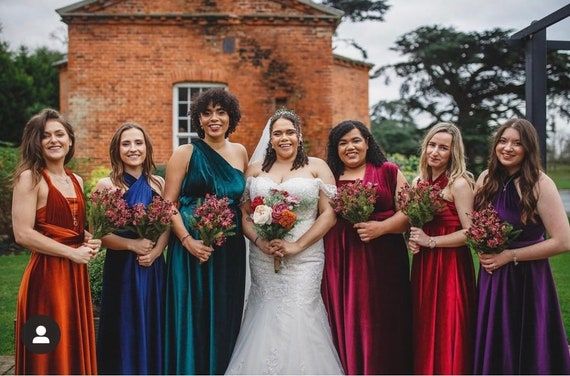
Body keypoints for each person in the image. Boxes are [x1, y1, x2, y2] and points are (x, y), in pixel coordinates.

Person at [225, 109, 344, 374]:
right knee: (264, 311)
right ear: (270, 139)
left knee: (301, 312)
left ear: (299, 136)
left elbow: (329, 214)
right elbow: (244, 215)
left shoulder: (317, 167)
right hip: (264, 257)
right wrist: (259, 242)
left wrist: (297, 246)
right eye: (277, 133)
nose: (284, 138)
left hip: (306, 257)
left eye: (290, 132)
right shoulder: (255, 171)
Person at [472, 118, 570, 374]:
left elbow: (563, 241)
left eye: (517, 143)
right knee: (495, 340)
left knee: (525, 342)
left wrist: (509, 255)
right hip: (492, 276)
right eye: (503, 141)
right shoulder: (485, 179)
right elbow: (473, 223)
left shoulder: (539, 183)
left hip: (527, 277)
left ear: (528, 148)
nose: (508, 148)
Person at [163, 88, 248, 374]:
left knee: (225, 314)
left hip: (229, 251)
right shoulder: (184, 153)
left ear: (230, 117)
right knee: (194, 314)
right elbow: (168, 205)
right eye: (207, 113)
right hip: (190, 251)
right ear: (198, 119)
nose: (214, 118)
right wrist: (188, 241)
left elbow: (244, 204)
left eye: (221, 112)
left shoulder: (240, 152)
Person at [12, 108, 100, 374]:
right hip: (46, 279)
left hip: (75, 277)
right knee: (46, 343)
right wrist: (71, 253)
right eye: (45, 135)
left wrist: (87, 239)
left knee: (71, 341)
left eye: (60, 134)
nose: (54, 140)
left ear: (70, 140)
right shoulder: (31, 178)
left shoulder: (76, 179)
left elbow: (68, 226)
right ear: (36, 142)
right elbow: (23, 233)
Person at [321, 120, 412, 374]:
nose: (350, 147)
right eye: (342, 143)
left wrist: (381, 228)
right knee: (349, 318)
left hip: (385, 261)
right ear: (335, 148)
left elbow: (408, 214)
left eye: (355, 140)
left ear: (367, 142)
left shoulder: (388, 171)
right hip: (342, 261)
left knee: (383, 318)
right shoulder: (331, 176)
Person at [95, 123, 167, 374]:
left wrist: (156, 251)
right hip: (122, 268)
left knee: (152, 320)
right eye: (126, 143)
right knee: (124, 323)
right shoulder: (107, 185)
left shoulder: (158, 182)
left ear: (147, 148)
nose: (133, 148)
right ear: (117, 149)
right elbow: (100, 234)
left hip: (153, 266)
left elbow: (167, 223)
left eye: (138, 143)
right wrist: (132, 244)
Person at [407, 122, 476, 374]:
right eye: (432, 145)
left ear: (453, 153)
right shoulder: (418, 182)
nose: (435, 152)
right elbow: (417, 224)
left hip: (451, 265)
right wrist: (414, 239)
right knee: (425, 321)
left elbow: (471, 232)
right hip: (425, 265)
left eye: (443, 148)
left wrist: (432, 241)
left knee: (449, 323)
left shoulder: (458, 184)